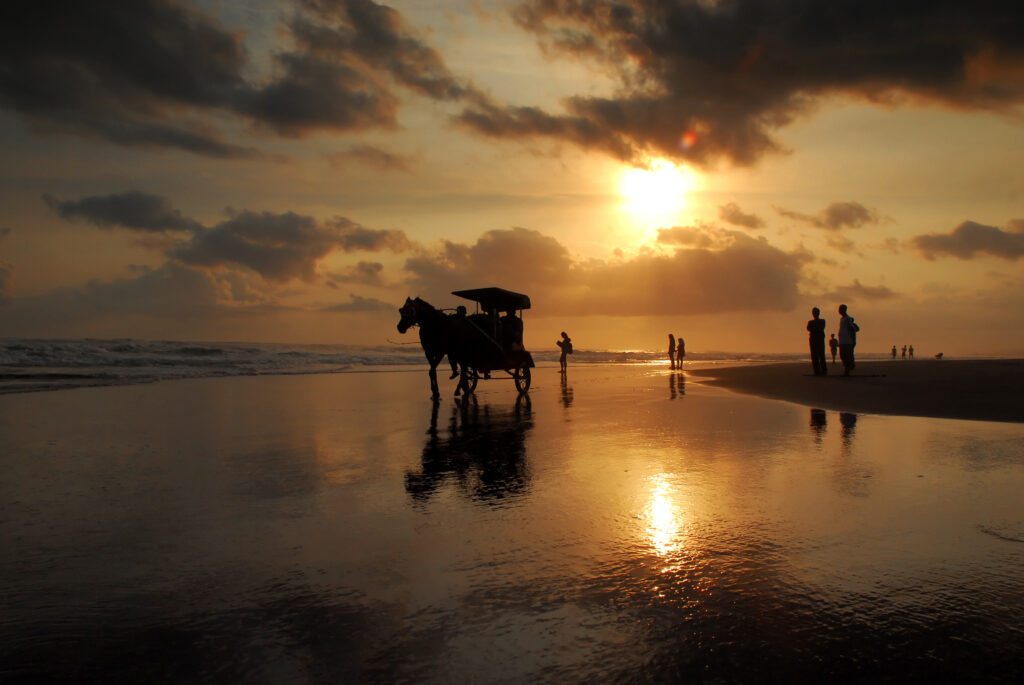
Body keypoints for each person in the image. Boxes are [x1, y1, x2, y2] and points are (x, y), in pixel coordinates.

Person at [837, 304, 859, 376]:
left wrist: (853, 340)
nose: (839, 311)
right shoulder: (842, 319)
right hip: (842, 340)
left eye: (840, 309)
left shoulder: (847, 318)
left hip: (847, 341)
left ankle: (847, 371)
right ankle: (847, 369)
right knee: (842, 355)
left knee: (846, 356)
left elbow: (852, 329)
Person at [806, 307, 827, 376]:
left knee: (821, 355)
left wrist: (814, 329)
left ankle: (824, 370)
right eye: (814, 312)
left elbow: (820, 328)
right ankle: (817, 371)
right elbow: (808, 328)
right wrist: (816, 329)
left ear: (818, 313)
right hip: (813, 340)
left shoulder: (822, 321)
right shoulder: (811, 322)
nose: (814, 314)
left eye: (816, 312)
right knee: (814, 356)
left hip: (819, 340)